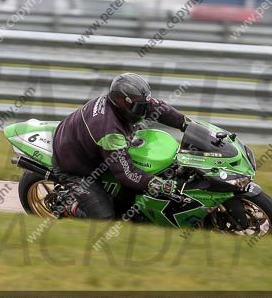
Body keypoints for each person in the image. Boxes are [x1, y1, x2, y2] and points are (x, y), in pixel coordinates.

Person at [52, 72, 191, 219]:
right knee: (106, 218)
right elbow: (126, 173)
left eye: (144, 106)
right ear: (123, 102)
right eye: (140, 108)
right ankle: (69, 206)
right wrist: (156, 184)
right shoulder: (109, 132)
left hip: (86, 142)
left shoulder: (125, 104)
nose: (144, 112)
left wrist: (186, 124)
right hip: (76, 168)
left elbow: (160, 109)